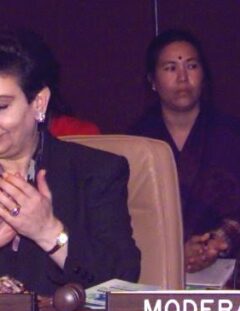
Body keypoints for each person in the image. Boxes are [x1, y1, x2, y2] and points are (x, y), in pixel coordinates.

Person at [0, 28, 140, 295]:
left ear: (39, 103)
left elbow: (123, 281)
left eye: (1, 107)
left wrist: (48, 232)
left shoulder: (95, 172)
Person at [131, 29, 240, 289]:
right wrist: (177, 252)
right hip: (156, 260)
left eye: (191, 66)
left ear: (203, 75)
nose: (183, 77)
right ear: (152, 80)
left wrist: (215, 242)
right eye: (170, 68)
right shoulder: (138, 140)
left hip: (229, 257)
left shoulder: (232, 134)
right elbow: (127, 217)